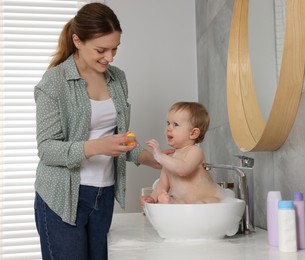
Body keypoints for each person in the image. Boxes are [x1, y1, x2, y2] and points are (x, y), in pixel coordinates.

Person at [33, 3, 160, 259]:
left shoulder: (117, 78)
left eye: (115, 49)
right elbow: (47, 150)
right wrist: (97, 147)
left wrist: (158, 160)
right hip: (62, 198)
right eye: (101, 50)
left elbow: (121, 140)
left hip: (103, 196)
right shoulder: (54, 83)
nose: (110, 57)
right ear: (77, 41)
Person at [139, 102, 225, 205]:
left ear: (193, 133)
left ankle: (173, 203)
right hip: (185, 207)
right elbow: (162, 184)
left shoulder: (195, 151)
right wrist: (152, 198)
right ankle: (171, 202)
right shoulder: (169, 159)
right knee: (171, 200)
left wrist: (160, 156)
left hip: (207, 202)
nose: (168, 128)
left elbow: (183, 169)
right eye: (168, 123)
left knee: (210, 201)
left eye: (175, 124)